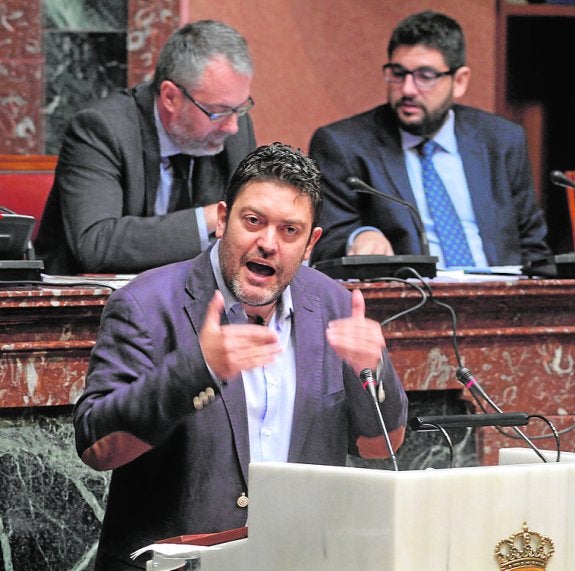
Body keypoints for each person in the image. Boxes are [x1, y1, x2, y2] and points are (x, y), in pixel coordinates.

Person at [73, 142, 408, 569]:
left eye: (290, 231)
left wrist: (372, 370)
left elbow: (382, 446)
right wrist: (197, 370)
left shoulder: (334, 306)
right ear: (221, 219)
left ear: (311, 243)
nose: (268, 243)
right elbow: (96, 447)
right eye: (253, 221)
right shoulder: (145, 304)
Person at [309, 10, 551, 269]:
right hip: (409, 301)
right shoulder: (344, 145)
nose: (408, 89)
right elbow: (324, 246)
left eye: (425, 76)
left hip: (502, 297)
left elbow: (534, 247)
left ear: (459, 81)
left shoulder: (502, 140)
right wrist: (360, 237)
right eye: (398, 73)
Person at [35, 20, 256, 275]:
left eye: (239, 108)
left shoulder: (234, 129)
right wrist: (212, 217)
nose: (232, 127)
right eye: (218, 112)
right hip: (84, 304)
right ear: (170, 97)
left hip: (192, 300)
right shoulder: (102, 128)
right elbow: (95, 243)